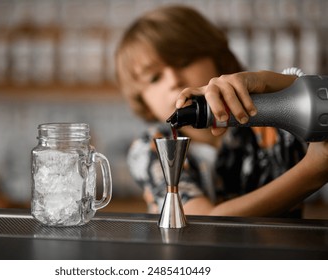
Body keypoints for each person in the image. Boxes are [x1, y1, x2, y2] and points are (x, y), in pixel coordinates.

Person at [115, 5, 328, 218]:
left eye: (184, 62)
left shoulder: (271, 118)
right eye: (154, 78)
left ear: (217, 59)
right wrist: (313, 172)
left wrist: (275, 82)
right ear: (142, 101)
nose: (173, 81)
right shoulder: (151, 148)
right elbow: (202, 223)